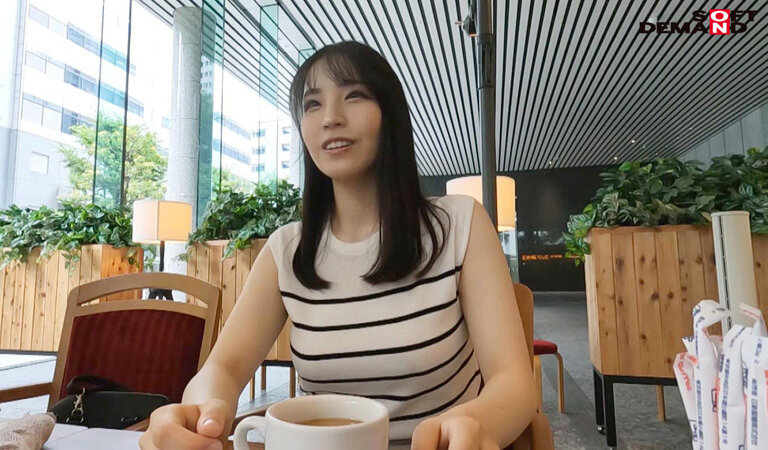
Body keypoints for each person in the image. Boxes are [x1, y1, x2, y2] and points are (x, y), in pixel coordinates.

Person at [139, 41, 536, 450]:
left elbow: (513, 381)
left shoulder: (459, 225)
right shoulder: (286, 251)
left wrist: (472, 425)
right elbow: (224, 366)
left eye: (354, 95)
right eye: (312, 104)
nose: (330, 118)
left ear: (389, 113)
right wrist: (202, 413)